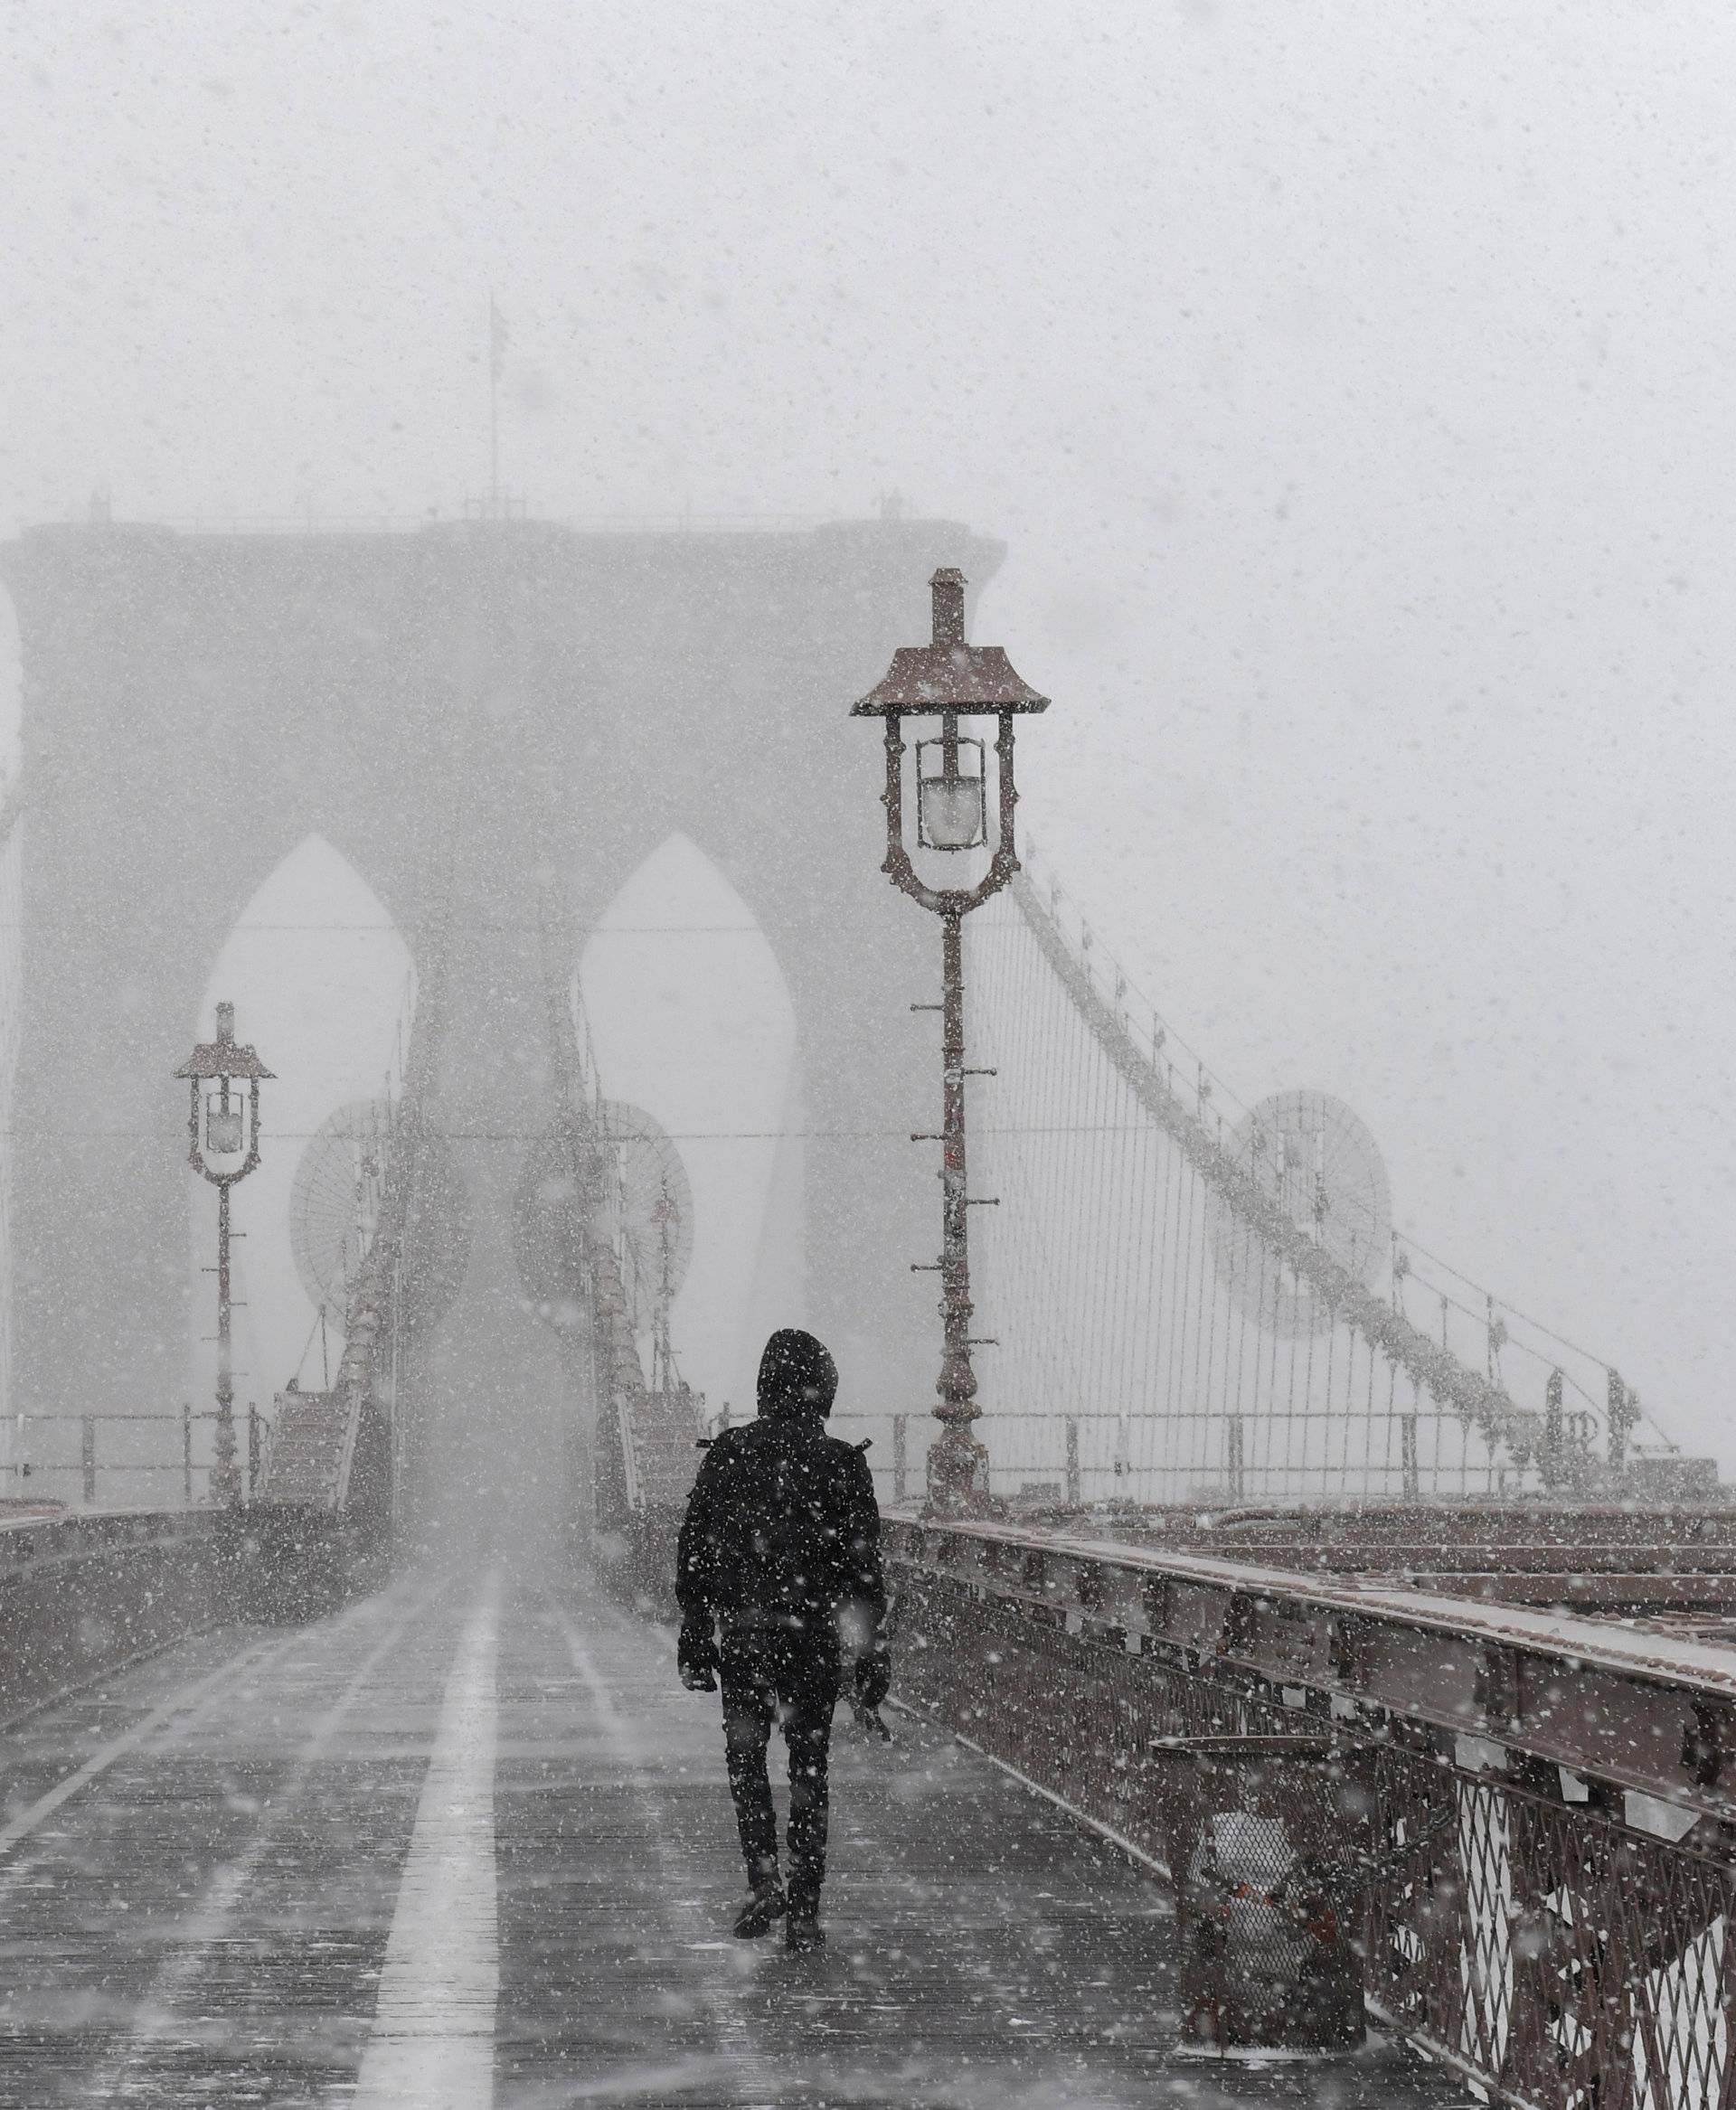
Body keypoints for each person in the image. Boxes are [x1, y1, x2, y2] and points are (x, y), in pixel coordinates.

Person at [675, 1327, 889, 1952]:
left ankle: (763, 1881)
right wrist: (870, 1657)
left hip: (746, 1642)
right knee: (809, 1770)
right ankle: (804, 1910)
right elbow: (865, 1576)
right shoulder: (842, 1464)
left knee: (746, 1763)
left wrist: (696, 1631)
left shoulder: (727, 1456)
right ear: (822, 1390)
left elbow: (695, 1555)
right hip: (812, 1648)